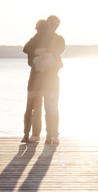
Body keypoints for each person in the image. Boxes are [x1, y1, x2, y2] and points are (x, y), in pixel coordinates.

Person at [20, 15, 65, 144]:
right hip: (36, 80)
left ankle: (52, 135)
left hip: (52, 80)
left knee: (51, 108)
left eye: (56, 25)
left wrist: (44, 51)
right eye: (51, 24)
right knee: (35, 107)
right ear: (46, 24)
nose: (53, 27)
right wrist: (38, 52)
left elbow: (59, 50)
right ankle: (34, 134)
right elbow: (27, 49)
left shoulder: (58, 39)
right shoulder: (38, 38)